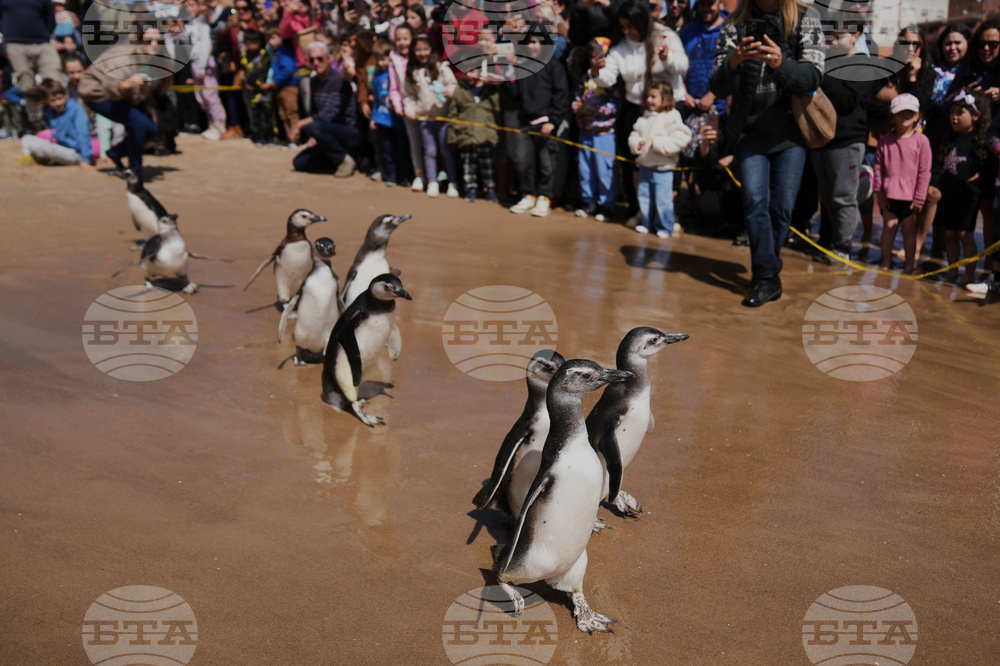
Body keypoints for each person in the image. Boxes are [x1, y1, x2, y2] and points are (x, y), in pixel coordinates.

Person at [708, 0, 824, 307]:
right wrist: (733, 61)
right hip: (748, 133)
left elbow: (813, 76)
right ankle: (766, 276)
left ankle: (766, 273)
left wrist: (779, 63)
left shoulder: (804, 19)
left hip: (791, 132)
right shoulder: (735, 23)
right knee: (755, 204)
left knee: (782, 208)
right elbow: (717, 86)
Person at [591, 0, 688, 226]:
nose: (627, 31)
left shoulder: (664, 35)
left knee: (667, 159)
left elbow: (683, 66)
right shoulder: (620, 48)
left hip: (668, 108)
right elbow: (608, 77)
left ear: (642, 21)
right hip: (635, 109)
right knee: (634, 160)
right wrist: (596, 70)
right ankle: (639, 210)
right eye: (623, 26)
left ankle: (667, 214)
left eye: (631, 26)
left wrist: (667, 58)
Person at [810, 15, 888, 263]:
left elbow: (846, 100)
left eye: (838, 36)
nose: (831, 42)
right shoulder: (825, 63)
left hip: (847, 142)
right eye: (829, 36)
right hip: (820, 140)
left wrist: (821, 75)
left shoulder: (863, 66)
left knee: (843, 198)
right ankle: (826, 243)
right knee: (826, 198)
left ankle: (843, 248)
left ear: (856, 37)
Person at [78, 28, 162, 179]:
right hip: (97, 94)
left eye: (159, 41)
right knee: (140, 124)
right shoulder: (123, 56)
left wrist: (149, 105)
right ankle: (135, 172)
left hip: (125, 97)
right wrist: (127, 84)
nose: (154, 44)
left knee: (151, 129)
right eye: (149, 40)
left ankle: (116, 153)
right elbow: (111, 88)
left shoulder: (154, 60)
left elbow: (148, 90)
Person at [933, 91, 994, 284]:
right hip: (949, 192)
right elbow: (938, 162)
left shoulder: (981, 141)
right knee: (950, 234)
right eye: (952, 112)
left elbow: (990, 167)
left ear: (976, 116)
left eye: (960, 113)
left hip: (969, 196)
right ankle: (952, 271)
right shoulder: (949, 138)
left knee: (965, 235)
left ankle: (969, 274)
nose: (955, 117)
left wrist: (982, 175)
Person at [506, 33, 570, 217]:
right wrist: (506, 76)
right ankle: (528, 194)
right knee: (523, 161)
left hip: (546, 124)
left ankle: (544, 197)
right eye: (529, 42)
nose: (533, 46)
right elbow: (514, 97)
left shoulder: (555, 67)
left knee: (546, 163)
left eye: (537, 42)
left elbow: (561, 95)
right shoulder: (522, 68)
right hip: (525, 122)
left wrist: (553, 121)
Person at [873, 93, 932, 275]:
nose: (905, 116)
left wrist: (920, 198)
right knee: (888, 229)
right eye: (900, 113)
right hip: (889, 196)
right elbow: (877, 170)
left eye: (910, 112)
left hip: (910, 198)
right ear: (892, 116)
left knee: (909, 232)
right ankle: (885, 262)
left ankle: (909, 266)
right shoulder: (884, 141)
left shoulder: (922, 141)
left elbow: (924, 172)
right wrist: (880, 196)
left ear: (917, 116)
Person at [628, 81, 691, 237]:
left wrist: (659, 144)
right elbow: (633, 136)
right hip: (645, 166)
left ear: (666, 98)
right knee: (644, 198)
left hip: (663, 169)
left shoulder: (672, 117)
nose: (649, 100)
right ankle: (647, 223)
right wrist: (637, 144)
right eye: (648, 96)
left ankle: (665, 227)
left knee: (663, 201)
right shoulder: (643, 119)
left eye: (654, 97)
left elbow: (682, 138)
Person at [291, 41, 359, 176]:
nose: (316, 63)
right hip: (327, 134)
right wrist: (315, 136)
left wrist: (301, 124)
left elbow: (329, 114)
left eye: (320, 59)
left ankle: (344, 159)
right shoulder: (314, 81)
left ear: (329, 59)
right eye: (312, 60)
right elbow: (315, 112)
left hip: (347, 133)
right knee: (299, 162)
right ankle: (337, 160)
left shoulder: (339, 80)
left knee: (314, 126)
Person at [403, 33, 458, 197]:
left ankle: (453, 182)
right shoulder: (412, 72)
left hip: (443, 118)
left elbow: (453, 84)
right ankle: (432, 181)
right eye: (418, 50)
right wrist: (411, 111)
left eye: (425, 49)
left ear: (431, 49)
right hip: (425, 119)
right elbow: (408, 96)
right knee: (430, 151)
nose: (422, 53)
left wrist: (451, 91)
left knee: (446, 151)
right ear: (413, 51)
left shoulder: (442, 68)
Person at [573, 38, 620, 221]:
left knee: (604, 170)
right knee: (585, 169)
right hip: (585, 130)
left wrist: (591, 109)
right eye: (593, 56)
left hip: (604, 133)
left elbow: (616, 105)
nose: (596, 60)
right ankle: (589, 202)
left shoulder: (611, 80)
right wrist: (576, 107)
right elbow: (578, 95)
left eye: (600, 56)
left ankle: (607, 205)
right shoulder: (585, 77)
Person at [0, 0, 63, 130]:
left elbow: (50, 18)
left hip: (42, 43)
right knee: (26, 84)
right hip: (15, 43)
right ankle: (36, 121)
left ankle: (57, 119)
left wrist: (42, 35)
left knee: (54, 83)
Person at [446, 65, 500, 202]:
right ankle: (471, 188)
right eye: (466, 72)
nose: (469, 75)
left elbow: (498, 112)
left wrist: (496, 133)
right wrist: (453, 136)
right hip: (466, 135)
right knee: (468, 165)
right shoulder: (459, 91)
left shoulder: (491, 90)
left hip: (486, 134)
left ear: (480, 72)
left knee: (488, 165)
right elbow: (453, 115)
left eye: (472, 71)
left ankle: (491, 189)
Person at [20, 78, 96, 167]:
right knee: (27, 138)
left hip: (75, 153)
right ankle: (31, 157)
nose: (58, 103)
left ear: (65, 95)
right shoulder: (51, 112)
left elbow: (83, 134)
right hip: (60, 148)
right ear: (46, 101)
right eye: (53, 100)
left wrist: (85, 159)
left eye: (60, 98)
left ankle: (38, 158)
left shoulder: (76, 109)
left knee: (38, 146)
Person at [370, 37, 411, 186]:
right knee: (387, 149)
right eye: (378, 60)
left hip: (397, 118)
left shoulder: (394, 73)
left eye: (384, 59)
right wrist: (373, 118)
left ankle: (405, 176)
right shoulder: (376, 76)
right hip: (382, 118)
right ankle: (391, 175)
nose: (381, 63)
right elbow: (376, 98)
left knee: (402, 148)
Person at [388, 23, 424, 190]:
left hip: (425, 105)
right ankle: (419, 175)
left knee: (430, 143)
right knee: (414, 143)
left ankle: (436, 175)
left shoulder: (420, 54)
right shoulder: (393, 59)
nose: (402, 43)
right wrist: (398, 107)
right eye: (398, 39)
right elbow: (394, 87)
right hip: (407, 107)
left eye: (405, 39)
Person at [184, 0, 227, 140]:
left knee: (210, 96)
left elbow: (206, 45)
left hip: (206, 65)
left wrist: (202, 67)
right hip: (194, 63)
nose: (189, 8)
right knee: (201, 97)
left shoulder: (204, 22)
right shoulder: (190, 24)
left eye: (193, 5)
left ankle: (219, 126)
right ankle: (211, 125)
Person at [682, 0, 727, 116]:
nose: (706, 8)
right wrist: (684, 93)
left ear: (720, 3)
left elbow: (733, 68)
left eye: (710, 3)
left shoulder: (729, 32)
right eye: (702, 4)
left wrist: (712, 94)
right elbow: (678, 70)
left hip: (720, 112)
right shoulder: (687, 34)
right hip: (690, 111)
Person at [268, 26, 301, 146]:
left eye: (273, 38)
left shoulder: (284, 51)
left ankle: (296, 139)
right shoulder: (276, 52)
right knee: (283, 114)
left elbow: (289, 69)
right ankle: (289, 138)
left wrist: (275, 81)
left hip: (288, 86)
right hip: (280, 87)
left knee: (291, 113)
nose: (271, 42)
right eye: (269, 39)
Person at [241, 29, 274, 145]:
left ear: (259, 42)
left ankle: (270, 137)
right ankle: (259, 137)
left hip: (265, 90)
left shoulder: (265, 54)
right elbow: (243, 72)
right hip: (252, 92)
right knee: (256, 116)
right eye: (248, 43)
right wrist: (245, 84)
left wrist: (268, 83)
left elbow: (271, 68)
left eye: (253, 43)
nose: (251, 46)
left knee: (268, 116)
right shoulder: (244, 56)